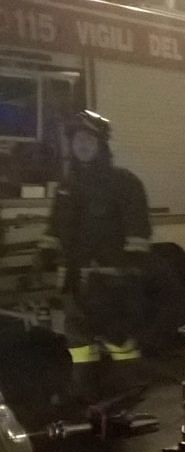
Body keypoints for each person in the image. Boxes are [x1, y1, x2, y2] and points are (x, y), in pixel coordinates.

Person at [36, 110, 152, 406]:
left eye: (88, 139)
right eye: (77, 139)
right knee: (79, 340)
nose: (82, 145)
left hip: (110, 279)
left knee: (117, 337)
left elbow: (138, 228)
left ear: (102, 144)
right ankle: (83, 388)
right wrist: (47, 249)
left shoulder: (123, 182)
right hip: (75, 278)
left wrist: (131, 264)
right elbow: (55, 225)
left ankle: (131, 383)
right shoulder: (66, 185)